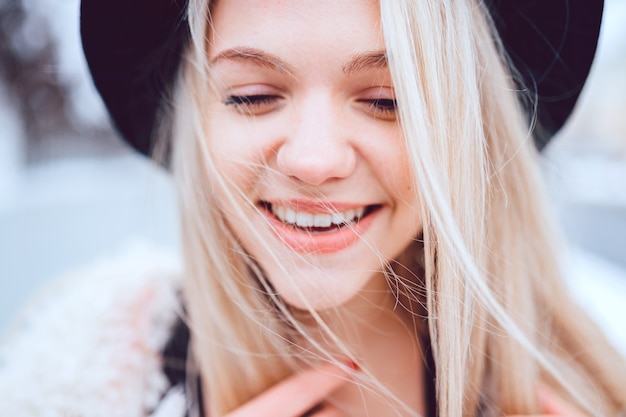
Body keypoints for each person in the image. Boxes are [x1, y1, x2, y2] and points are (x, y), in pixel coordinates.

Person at [1, 0, 625, 416]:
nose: (313, 159)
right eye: (253, 96)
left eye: (387, 100)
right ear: (196, 117)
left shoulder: (588, 379)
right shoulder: (78, 379)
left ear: (468, 128)